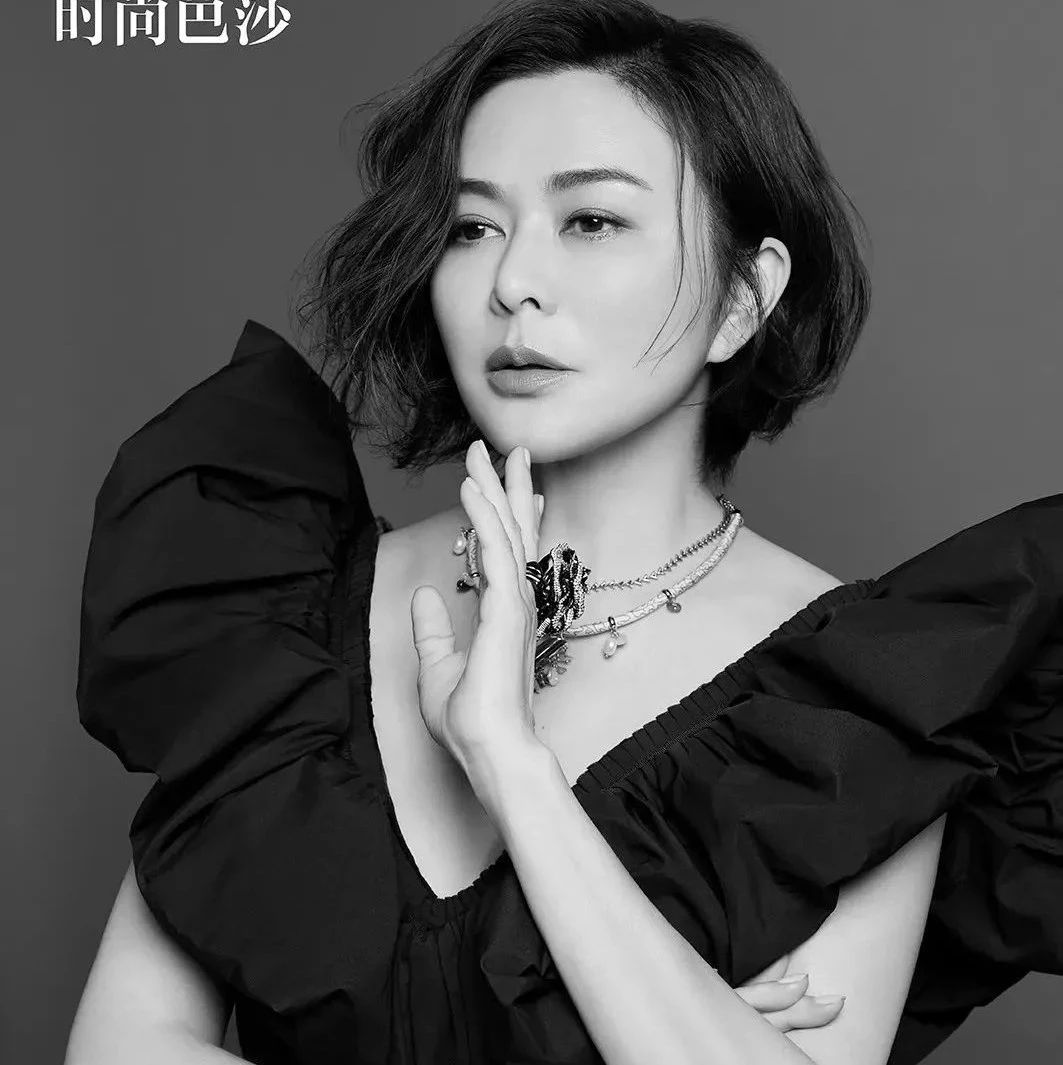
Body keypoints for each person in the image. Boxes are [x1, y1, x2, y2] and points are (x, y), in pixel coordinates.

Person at [67, 2, 1063, 1064]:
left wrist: (509, 763)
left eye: (590, 220)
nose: (511, 284)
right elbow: (116, 1049)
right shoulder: (280, 606)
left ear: (742, 296)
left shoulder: (868, 698)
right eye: (471, 227)